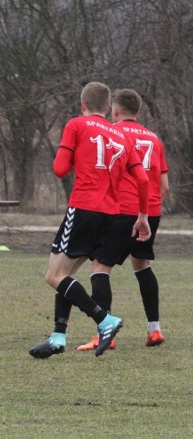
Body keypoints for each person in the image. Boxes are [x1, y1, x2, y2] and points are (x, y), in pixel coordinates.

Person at [29, 82, 151, 359]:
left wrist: (72, 155)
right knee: (67, 275)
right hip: (111, 214)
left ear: (82, 104)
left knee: (54, 275)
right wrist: (142, 216)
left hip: (84, 207)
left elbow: (60, 170)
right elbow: (143, 178)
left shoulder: (76, 125)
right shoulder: (122, 136)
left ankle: (104, 320)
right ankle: (58, 337)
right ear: (108, 108)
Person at [76, 88, 169, 351]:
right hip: (150, 211)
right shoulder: (154, 139)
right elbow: (164, 187)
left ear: (114, 110)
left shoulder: (113, 134)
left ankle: (104, 333)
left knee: (99, 267)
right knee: (142, 266)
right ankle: (154, 330)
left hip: (122, 210)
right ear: (138, 111)